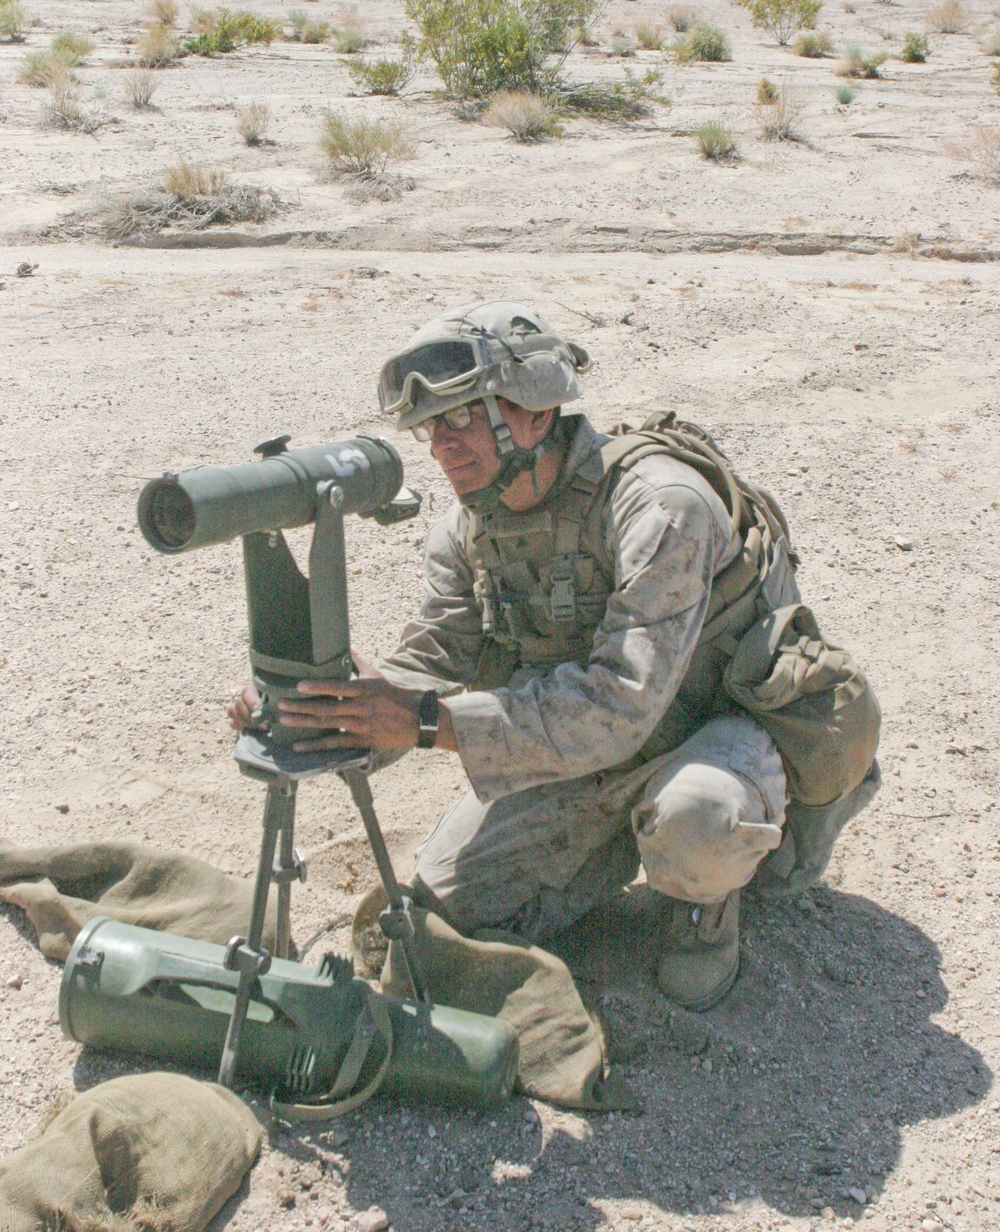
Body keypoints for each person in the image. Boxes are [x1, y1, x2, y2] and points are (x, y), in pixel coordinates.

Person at [228, 301, 871, 1011]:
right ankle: (609, 848)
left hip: (711, 733)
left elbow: (619, 705)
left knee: (699, 820)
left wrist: (415, 719)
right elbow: (435, 659)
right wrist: (326, 709)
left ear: (534, 412)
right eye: (432, 427)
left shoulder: (661, 507)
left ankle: (704, 907)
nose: (443, 445)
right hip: (583, 751)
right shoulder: (467, 530)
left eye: (466, 416)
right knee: (442, 919)